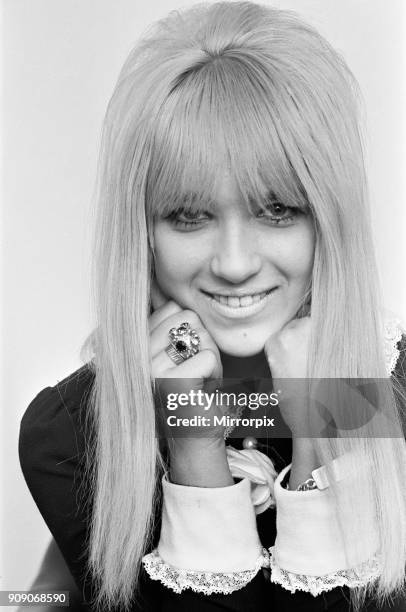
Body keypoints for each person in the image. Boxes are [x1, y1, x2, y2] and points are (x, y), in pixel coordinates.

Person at [19, 2, 406, 611]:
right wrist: (195, 449)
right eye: (189, 216)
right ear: (142, 230)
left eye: (277, 209)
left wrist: (324, 429)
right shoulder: (68, 432)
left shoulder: (394, 392)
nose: (233, 263)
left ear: (330, 216)